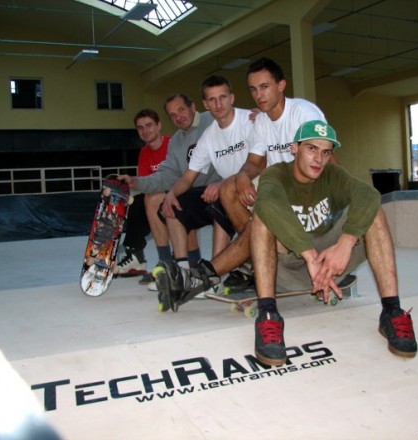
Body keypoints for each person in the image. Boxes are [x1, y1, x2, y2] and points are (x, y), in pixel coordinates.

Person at [159, 57, 330, 308]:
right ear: (206, 104)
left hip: (304, 193)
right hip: (276, 187)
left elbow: (327, 160)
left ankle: (201, 277)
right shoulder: (260, 121)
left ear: (281, 85)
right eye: (254, 89)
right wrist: (240, 177)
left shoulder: (301, 113)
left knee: (254, 223)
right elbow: (254, 162)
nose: (259, 95)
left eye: (265, 87)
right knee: (230, 189)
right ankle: (249, 260)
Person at [251, 120, 418, 366]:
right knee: (261, 216)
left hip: (331, 267)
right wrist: (309, 255)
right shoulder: (275, 175)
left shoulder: (332, 174)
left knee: (373, 211)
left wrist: (346, 243)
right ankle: (267, 314)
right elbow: (267, 203)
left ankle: (392, 311)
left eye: (326, 151)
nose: (319, 158)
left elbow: (368, 195)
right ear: (294, 148)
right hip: (287, 268)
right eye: (311, 148)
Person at [153, 74, 254, 311]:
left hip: (252, 188)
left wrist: (224, 183)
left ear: (232, 98)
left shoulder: (250, 121)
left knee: (221, 199)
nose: (218, 104)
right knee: (175, 207)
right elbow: (189, 177)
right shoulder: (209, 137)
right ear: (206, 105)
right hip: (226, 192)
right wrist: (170, 195)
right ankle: (184, 272)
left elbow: (259, 162)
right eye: (212, 100)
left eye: (222, 98)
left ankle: (213, 274)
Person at [118, 93, 221, 296]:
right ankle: (176, 270)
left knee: (176, 198)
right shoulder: (176, 142)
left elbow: (234, 117)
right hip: (195, 192)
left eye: (181, 110)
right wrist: (136, 182)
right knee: (171, 201)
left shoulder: (212, 119)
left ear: (192, 107)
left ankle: (212, 273)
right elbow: (165, 175)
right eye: (172, 115)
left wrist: (255, 115)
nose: (178, 117)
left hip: (224, 185)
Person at [116, 109, 170, 282]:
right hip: (156, 197)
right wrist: (131, 183)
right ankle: (135, 255)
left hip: (178, 194)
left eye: (149, 125)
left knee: (148, 201)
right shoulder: (144, 153)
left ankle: (171, 261)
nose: (145, 131)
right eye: (140, 128)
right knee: (135, 202)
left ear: (159, 125)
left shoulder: (173, 143)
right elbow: (146, 184)